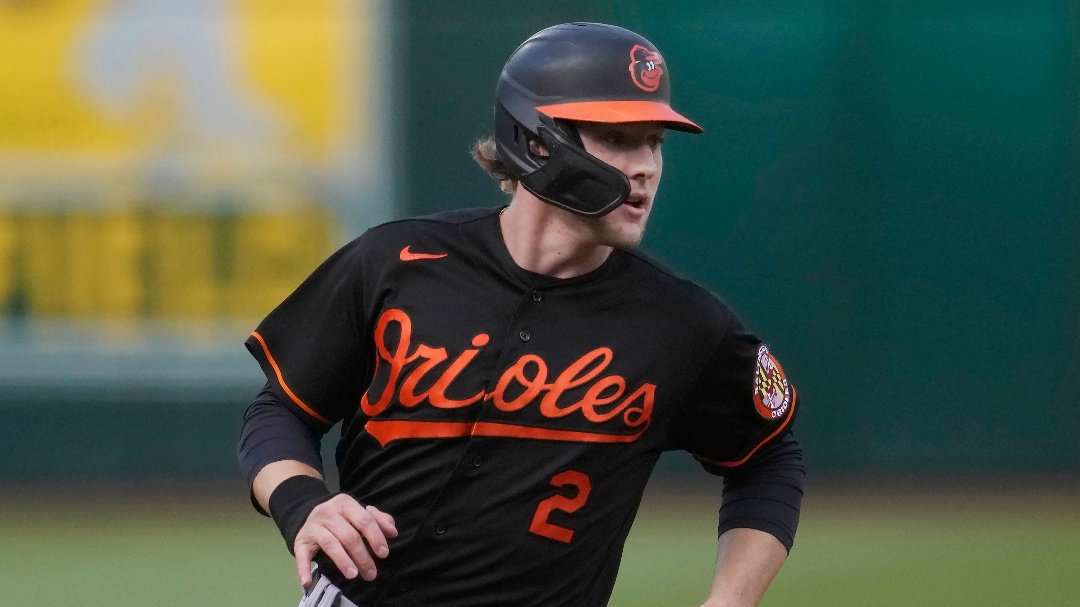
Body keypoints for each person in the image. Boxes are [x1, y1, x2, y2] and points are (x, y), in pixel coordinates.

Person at [237, 22, 805, 607]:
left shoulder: (682, 325)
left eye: (654, 141)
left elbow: (769, 458)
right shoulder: (397, 262)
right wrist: (302, 504)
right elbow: (282, 407)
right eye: (618, 138)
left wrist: (730, 600)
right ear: (537, 141)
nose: (646, 167)